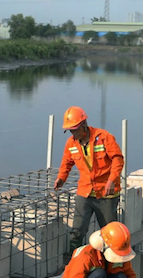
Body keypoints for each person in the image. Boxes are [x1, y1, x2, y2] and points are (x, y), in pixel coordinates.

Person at [53, 106, 124, 257]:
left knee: (110, 233)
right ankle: (75, 262)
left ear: (84, 124)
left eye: (75, 130)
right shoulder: (71, 144)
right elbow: (66, 163)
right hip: (85, 192)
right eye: (71, 131)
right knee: (77, 231)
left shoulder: (103, 137)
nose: (74, 133)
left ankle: (112, 264)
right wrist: (61, 178)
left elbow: (118, 159)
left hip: (106, 193)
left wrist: (112, 180)